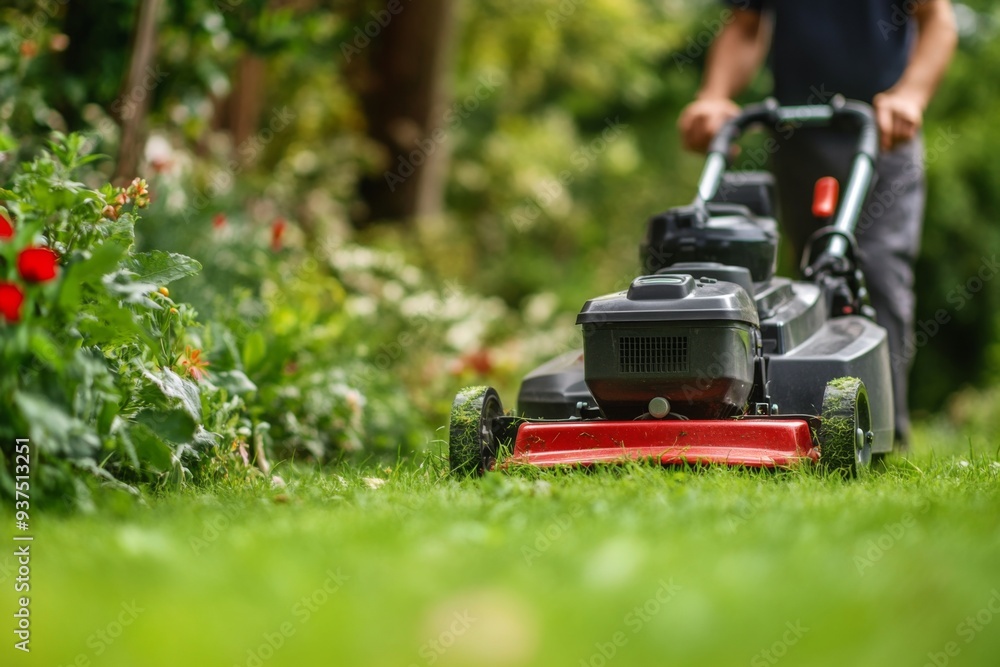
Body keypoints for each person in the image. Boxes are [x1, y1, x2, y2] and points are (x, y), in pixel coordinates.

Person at [678, 0, 958, 450]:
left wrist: (912, 94)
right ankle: (801, 423)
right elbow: (747, 26)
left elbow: (937, 19)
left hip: (884, 132)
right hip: (795, 134)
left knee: (877, 272)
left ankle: (885, 435)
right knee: (806, 280)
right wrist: (714, 95)